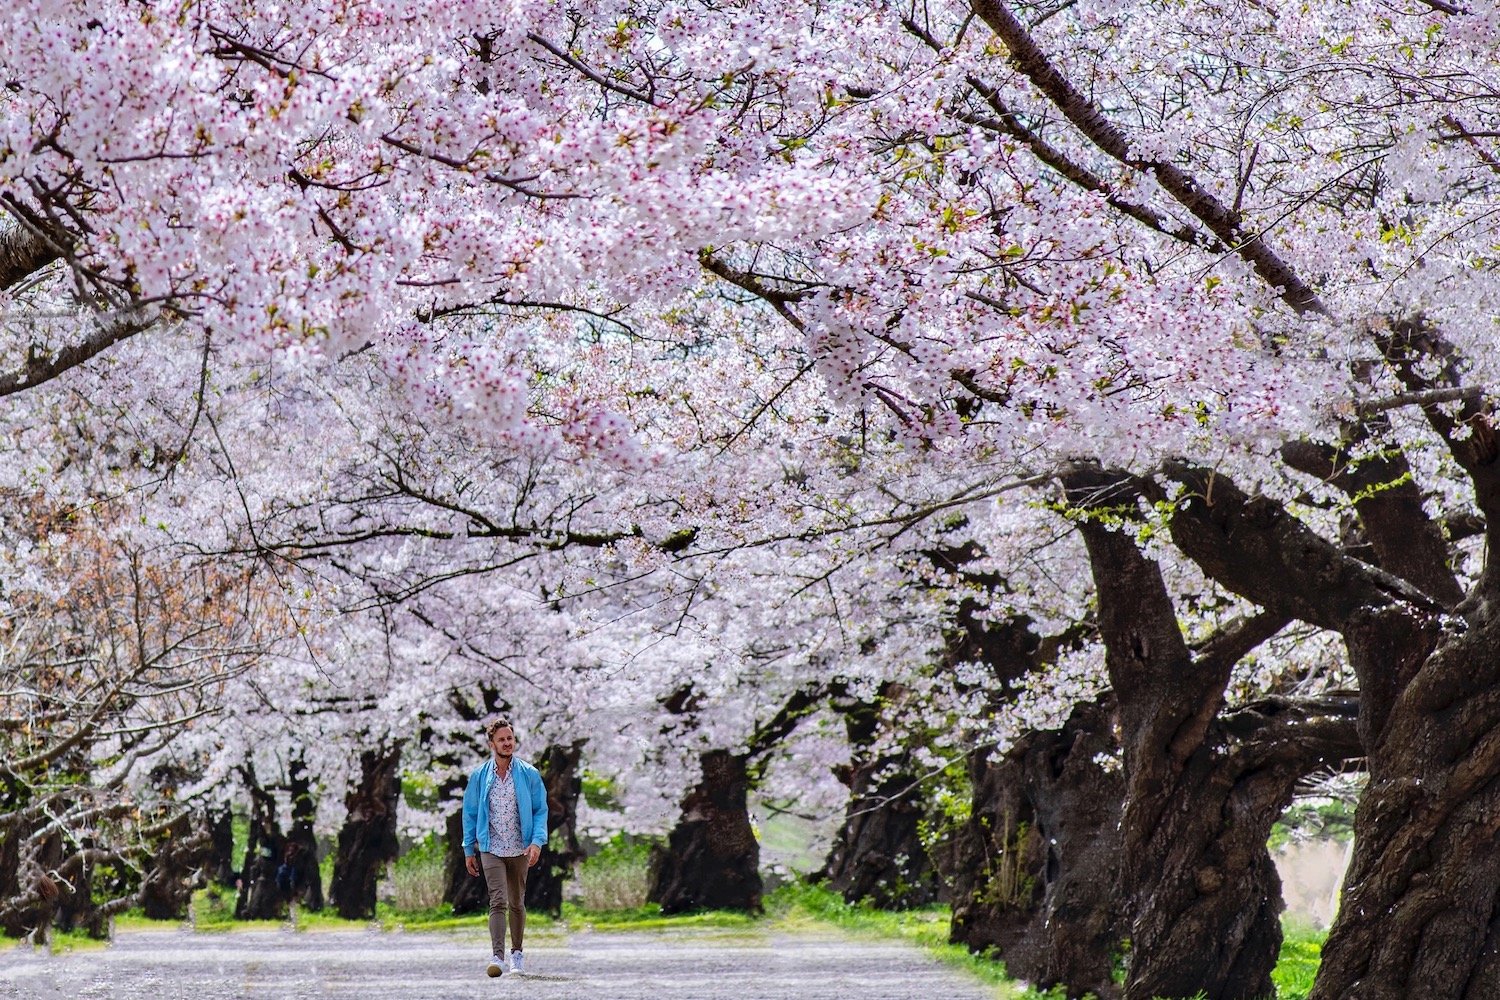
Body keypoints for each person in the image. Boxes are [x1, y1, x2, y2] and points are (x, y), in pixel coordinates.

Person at [461, 717, 548, 978]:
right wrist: (469, 849)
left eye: (510, 738)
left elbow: (540, 810)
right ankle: (497, 957)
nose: (507, 743)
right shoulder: (479, 777)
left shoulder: (529, 774)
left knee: (516, 902)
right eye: (502, 739)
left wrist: (536, 842)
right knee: (497, 901)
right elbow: (470, 813)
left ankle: (517, 954)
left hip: (520, 848)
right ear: (492, 744)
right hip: (491, 847)